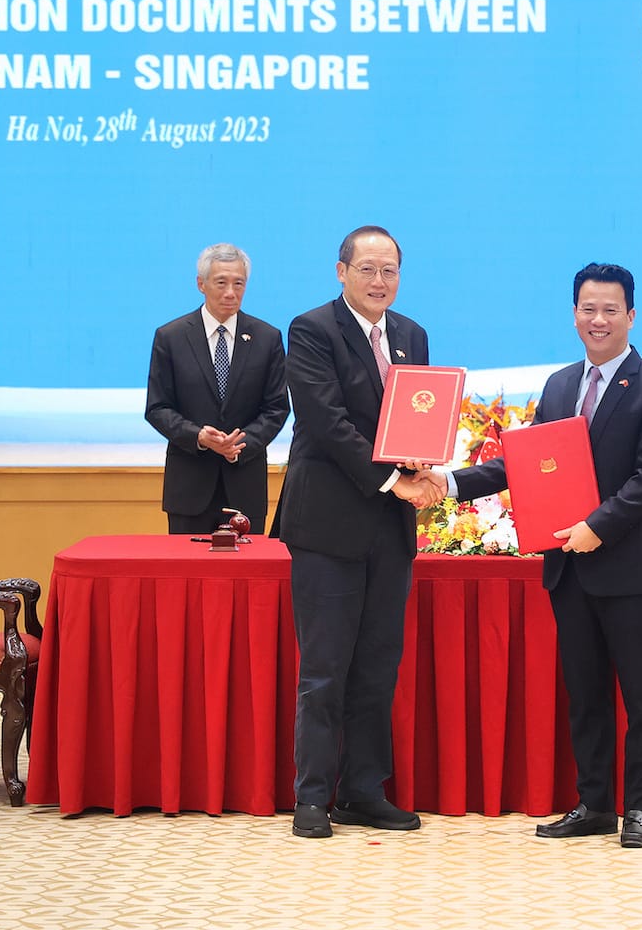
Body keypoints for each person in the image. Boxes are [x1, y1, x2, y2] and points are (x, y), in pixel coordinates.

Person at [431, 262, 642, 849]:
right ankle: (595, 802)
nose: (598, 320)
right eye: (587, 309)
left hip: (626, 567)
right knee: (586, 693)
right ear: (575, 313)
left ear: (631, 316)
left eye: (610, 310)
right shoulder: (561, 384)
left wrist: (598, 526)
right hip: (568, 568)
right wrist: (449, 483)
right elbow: (522, 464)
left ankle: (641, 809)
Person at [275, 226, 440, 839]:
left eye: (390, 271)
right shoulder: (313, 329)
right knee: (324, 671)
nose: (379, 282)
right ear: (341, 271)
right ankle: (312, 798)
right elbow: (326, 422)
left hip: (389, 531)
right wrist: (394, 481)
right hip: (327, 526)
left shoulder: (411, 335)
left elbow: (417, 418)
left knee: (376, 668)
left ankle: (364, 793)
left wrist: (422, 464)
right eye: (367, 269)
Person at [144, 244, 291, 535]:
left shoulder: (267, 338)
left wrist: (238, 444)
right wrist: (198, 436)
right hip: (189, 487)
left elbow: (277, 408)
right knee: (189, 575)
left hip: (245, 484)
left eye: (239, 283)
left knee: (245, 577)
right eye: (221, 282)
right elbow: (157, 407)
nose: (230, 292)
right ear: (201, 284)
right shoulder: (171, 337)